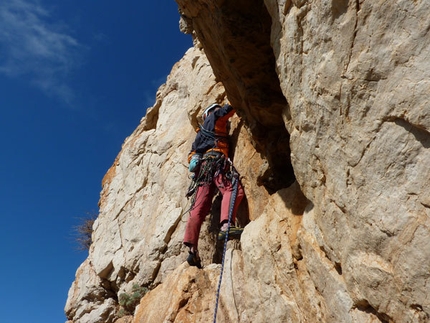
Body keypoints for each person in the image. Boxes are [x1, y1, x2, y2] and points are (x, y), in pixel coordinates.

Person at [184, 102, 245, 268]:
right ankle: (226, 225)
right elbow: (227, 110)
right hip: (216, 161)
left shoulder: (199, 136)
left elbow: (192, 155)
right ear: (210, 112)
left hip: (202, 170)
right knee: (232, 189)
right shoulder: (214, 118)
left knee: (198, 208)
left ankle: (192, 250)